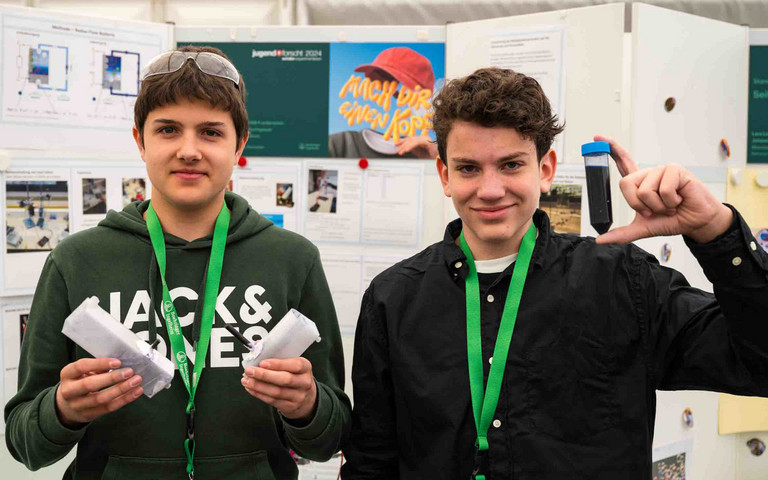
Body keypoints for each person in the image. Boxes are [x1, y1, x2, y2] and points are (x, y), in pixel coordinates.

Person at [340, 67, 768, 479]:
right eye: (469, 168)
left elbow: (759, 365)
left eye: (510, 165)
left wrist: (716, 232)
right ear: (445, 174)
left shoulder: (623, 280)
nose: (490, 190)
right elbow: (372, 461)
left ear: (545, 170)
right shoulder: (393, 298)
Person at [5, 46, 350, 480]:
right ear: (140, 141)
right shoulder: (76, 261)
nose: (189, 150)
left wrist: (308, 407)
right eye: (168, 129)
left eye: (210, 132)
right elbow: (23, 443)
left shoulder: (292, 259)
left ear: (240, 144)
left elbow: (331, 437)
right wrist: (62, 410)